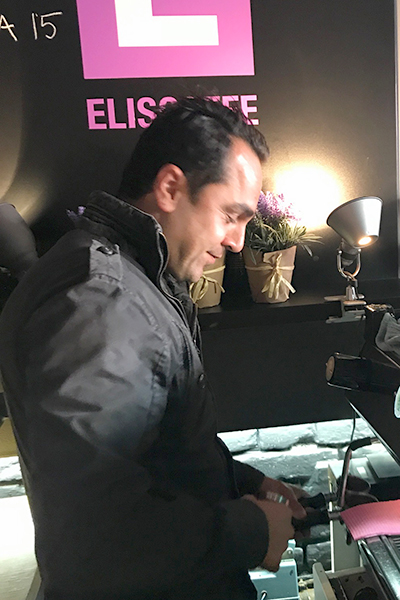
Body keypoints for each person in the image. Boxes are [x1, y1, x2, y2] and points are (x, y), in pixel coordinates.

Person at [0, 97, 306, 600]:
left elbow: (145, 460)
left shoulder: (122, 281)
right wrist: (252, 531)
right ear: (169, 188)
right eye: (231, 215)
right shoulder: (102, 304)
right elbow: (94, 540)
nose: (237, 241)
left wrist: (241, 485)